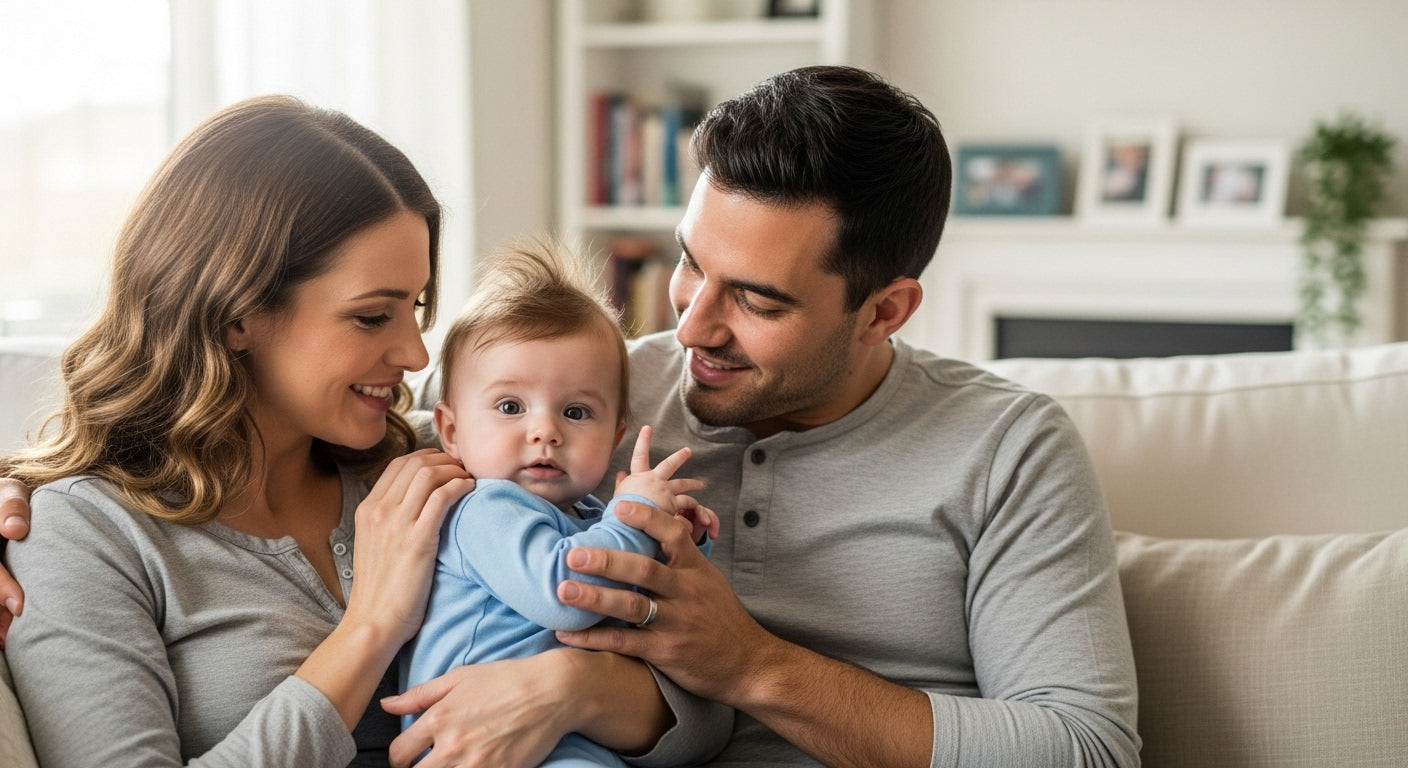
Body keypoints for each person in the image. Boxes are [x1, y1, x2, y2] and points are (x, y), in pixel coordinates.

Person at [2, 66, 1140, 767]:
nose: (690, 330)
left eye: (756, 299)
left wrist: (672, 676)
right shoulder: (581, 403)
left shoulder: (1007, 450)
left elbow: (1083, 750)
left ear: (886, 309)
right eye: (689, 268)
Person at [0, 96, 725, 768]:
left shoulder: (437, 462)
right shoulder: (84, 532)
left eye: (416, 306)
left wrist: (573, 686)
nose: (415, 354)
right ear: (236, 314)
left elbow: (706, 714)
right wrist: (370, 628)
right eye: (373, 316)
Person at [400, 241, 718, 767]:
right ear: (451, 432)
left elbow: (646, 606)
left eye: (575, 411)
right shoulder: (480, 508)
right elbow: (565, 593)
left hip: (567, 737)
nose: (544, 431)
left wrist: (666, 532)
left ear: (614, 436)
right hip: (473, 745)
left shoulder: (590, 518)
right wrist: (630, 519)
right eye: (510, 407)